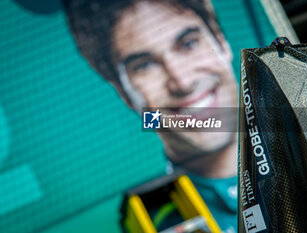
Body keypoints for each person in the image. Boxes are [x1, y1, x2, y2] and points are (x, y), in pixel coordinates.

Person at [64, 0, 239, 232]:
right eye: (145, 65)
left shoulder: (298, 137)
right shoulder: (154, 220)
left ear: (221, 41)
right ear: (123, 92)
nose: (183, 83)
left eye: (188, 44)